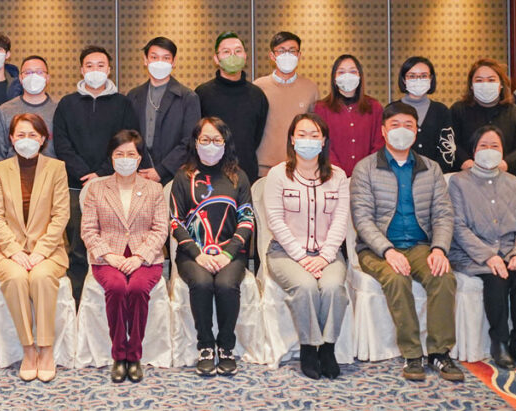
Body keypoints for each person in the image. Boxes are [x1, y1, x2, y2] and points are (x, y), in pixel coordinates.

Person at [350, 103, 463, 382]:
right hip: (377, 249)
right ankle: (412, 354)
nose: (402, 131)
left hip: (420, 246)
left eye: (408, 126)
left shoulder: (431, 168)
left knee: (443, 277)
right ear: (383, 131)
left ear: (416, 131)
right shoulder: (365, 168)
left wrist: (439, 249)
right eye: (395, 125)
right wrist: (387, 251)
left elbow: (443, 214)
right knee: (397, 279)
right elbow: (362, 219)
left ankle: (439, 352)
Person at [53, 45, 146, 301]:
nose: (95, 70)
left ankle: (108, 298)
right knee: (77, 245)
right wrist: (85, 174)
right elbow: (61, 143)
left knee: (110, 241)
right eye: (90, 65)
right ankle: (78, 302)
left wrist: (101, 173)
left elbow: (128, 141)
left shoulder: (123, 103)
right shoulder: (67, 104)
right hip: (76, 185)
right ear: (82, 70)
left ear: (109, 69)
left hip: (113, 183)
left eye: (101, 65)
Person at [263, 113, 349, 380]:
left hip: (328, 254)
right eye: (301, 134)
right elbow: (275, 221)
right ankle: (309, 348)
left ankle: (328, 348)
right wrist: (302, 257)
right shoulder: (278, 174)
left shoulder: (338, 176)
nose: (308, 140)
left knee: (333, 288)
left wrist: (324, 257)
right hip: (285, 254)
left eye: (314, 135)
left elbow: (340, 221)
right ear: (292, 139)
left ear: (323, 141)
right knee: (306, 286)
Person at [0, 114, 69, 383]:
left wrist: (41, 251)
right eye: (20, 135)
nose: (26, 140)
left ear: (43, 138)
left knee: (42, 277)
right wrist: (14, 250)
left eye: (33, 135)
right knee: (16, 277)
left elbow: (60, 215)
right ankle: (28, 350)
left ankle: (46, 349)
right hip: (6, 250)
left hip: (49, 249)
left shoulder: (56, 168)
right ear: (11, 138)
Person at [448, 126, 516, 371]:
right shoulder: (458, 182)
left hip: (510, 251)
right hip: (472, 254)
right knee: (495, 278)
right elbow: (457, 227)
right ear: (474, 150)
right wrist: (488, 256)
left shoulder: (513, 183)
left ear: (503, 151)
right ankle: (499, 341)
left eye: (495, 146)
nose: (489, 151)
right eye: (483, 146)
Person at [170, 117, 255, 377]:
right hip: (192, 254)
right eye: (205, 139)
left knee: (227, 285)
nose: (211, 145)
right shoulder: (183, 177)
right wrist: (198, 255)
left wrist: (228, 253)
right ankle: (206, 346)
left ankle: (226, 347)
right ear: (196, 142)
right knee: (203, 283)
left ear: (225, 143)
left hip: (231, 253)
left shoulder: (238, 177)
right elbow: (175, 222)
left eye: (217, 140)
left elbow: (247, 220)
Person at [81, 130, 167, 383]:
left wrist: (139, 257)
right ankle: (119, 355)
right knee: (117, 288)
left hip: (145, 256)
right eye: (120, 154)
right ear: (111, 157)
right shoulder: (97, 189)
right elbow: (88, 230)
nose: (125, 159)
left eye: (131, 154)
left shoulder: (154, 189)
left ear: (139, 158)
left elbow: (160, 229)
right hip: (108, 257)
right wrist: (109, 255)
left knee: (138, 288)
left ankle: (134, 355)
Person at [195, 32, 269, 183]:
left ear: (245, 56)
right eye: (226, 52)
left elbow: (256, 137)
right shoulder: (202, 93)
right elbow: (195, 136)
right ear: (216, 58)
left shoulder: (257, 95)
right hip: (209, 174)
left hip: (247, 174)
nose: (233, 56)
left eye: (238, 51)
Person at [126, 37, 201, 183]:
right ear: (145, 60)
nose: (159, 62)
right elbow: (128, 137)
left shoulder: (188, 97)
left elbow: (190, 140)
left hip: (174, 176)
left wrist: (161, 170)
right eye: (154, 57)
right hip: (139, 174)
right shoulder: (133, 96)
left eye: (166, 58)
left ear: (173, 62)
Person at [450, 58, 516, 176]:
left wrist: (506, 163)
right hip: (466, 176)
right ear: (471, 86)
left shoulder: (515, 112)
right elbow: (450, 142)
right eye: (479, 80)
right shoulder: (458, 110)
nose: (485, 84)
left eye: (491, 80)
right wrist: (465, 161)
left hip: (505, 177)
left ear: (501, 84)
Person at [254, 32, 320, 177]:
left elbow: (315, 131)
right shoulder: (259, 87)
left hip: (299, 168)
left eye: (292, 51)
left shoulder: (310, 88)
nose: (287, 55)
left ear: (299, 55)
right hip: (264, 169)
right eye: (282, 51)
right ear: (272, 56)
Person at [314, 54, 384, 177]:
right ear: (334, 78)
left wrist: (365, 171)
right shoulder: (321, 108)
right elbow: (322, 144)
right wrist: (338, 173)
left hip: (368, 176)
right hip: (332, 176)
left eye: (352, 71)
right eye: (341, 72)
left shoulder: (374, 107)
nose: (347, 76)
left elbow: (379, 144)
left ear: (360, 76)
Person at [387, 56, 456, 172]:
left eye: (423, 76)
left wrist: (435, 173)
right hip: (399, 174)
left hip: (435, 175)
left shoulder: (441, 110)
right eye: (412, 76)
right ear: (404, 79)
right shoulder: (392, 110)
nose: (418, 80)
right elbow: (387, 147)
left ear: (431, 78)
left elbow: (448, 149)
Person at [0, 56, 58, 159]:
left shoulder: (59, 109)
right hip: (13, 168)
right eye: (28, 72)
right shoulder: (5, 110)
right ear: (21, 78)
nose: (33, 76)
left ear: (47, 78)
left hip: (51, 168)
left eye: (39, 72)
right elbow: (1, 152)